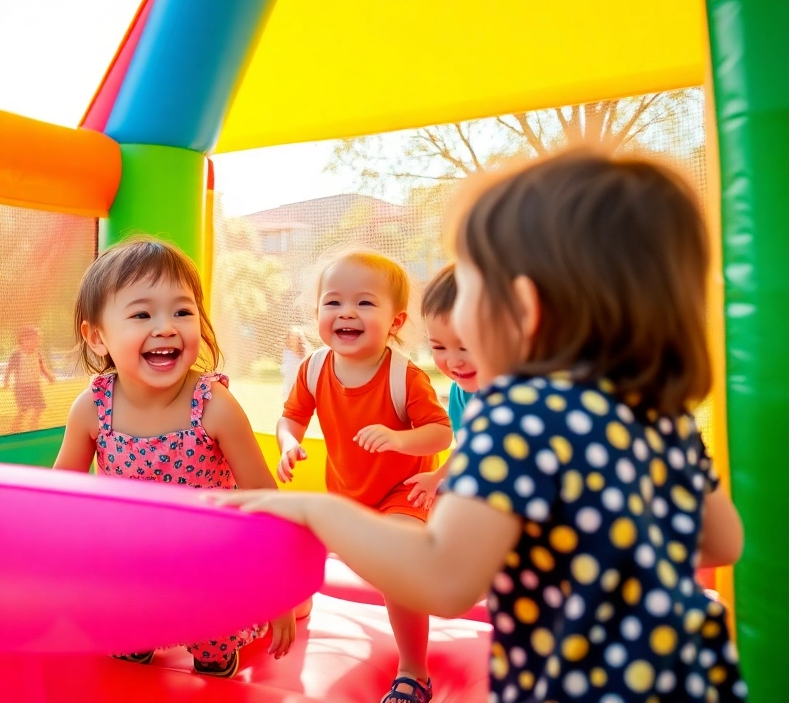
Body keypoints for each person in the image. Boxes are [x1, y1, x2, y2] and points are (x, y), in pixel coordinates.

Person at [217, 151, 746, 703]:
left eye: (464, 286)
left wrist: (314, 509)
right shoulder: (657, 412)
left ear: (524, 305)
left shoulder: (514, 418)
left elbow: (445, 584)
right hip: (688, 674)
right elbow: (721, 540)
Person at [53, 237, 296, 677]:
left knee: (212, 652)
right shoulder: (93, 406)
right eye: (142, 314)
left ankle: (216, 652)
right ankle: (138, 638)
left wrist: (280, 590)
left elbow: (266, 498)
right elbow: (56, 497)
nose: (166, 327)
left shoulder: (213, 404)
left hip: (209, 560)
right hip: (131, 561)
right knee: (128, 642)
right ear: (97, 336)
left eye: (182, 312)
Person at [275, 248, 452, 703]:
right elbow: (291, 418)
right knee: (287, 536)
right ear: (317, 313)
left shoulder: (404, 377)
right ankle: (299, 598)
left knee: (396, 565)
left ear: (395, 322)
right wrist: (289, 443)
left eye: (365, 303)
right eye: (333, 303)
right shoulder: (314, 368)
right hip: (346, 493)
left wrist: (398, 440)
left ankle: (415, 670)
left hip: (402, 495)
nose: (346, 313)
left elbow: (440, 434)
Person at [403, 264, 479, 510]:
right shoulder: (461, 392)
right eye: (439, 347)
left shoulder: (521, 397)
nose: (454, 361)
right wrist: (437, 478)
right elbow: (466, 447)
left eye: (466, 345)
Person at [4, 326, 54, 431]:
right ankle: (14, 431)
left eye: (37, 339)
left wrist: (49, 376)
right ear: (23, 340)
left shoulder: (37, 353)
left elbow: (41, 367)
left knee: (39, 408)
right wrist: (6, 380)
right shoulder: (17, 354)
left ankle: (33, 429)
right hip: (21, 387)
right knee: (23, 409)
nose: (36, 342)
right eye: (33, 339)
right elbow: (9, 368)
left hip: (35, 386)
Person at [280, 326, 310, 402]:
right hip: (289, 382)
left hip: (301, 383)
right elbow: (285, 367)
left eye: (295, 336)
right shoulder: (286, 351)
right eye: (291, 336)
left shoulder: (305, 351)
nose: (293, 338)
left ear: (299, 338)